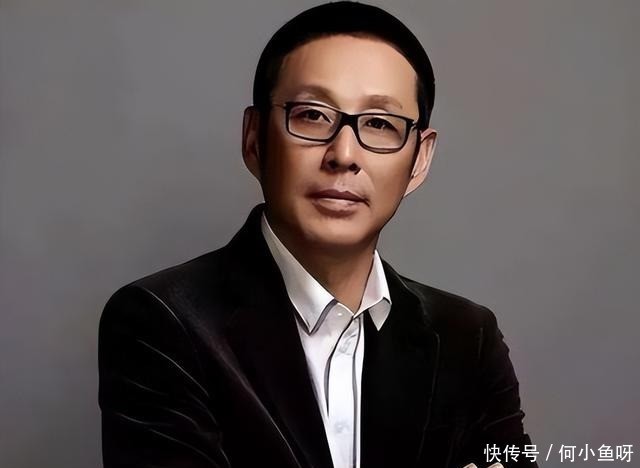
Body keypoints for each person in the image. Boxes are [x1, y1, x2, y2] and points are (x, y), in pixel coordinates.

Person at [98, 2, 536, 467]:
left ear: (419, 159)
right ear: (254, 139)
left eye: (380, 124)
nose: (343, 154)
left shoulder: (467, 336)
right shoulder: (161, 322)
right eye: (312, 115)